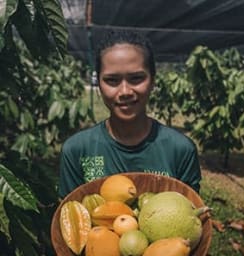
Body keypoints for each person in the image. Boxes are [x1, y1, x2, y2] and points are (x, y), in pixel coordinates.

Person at [59, 29, 201, 198]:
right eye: (112, 80)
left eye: (136, 78)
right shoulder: (77, 150)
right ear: (99, 85)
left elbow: (189, 215)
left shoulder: (180, 150)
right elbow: (70, 213)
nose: (125, 91)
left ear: (153, 80)